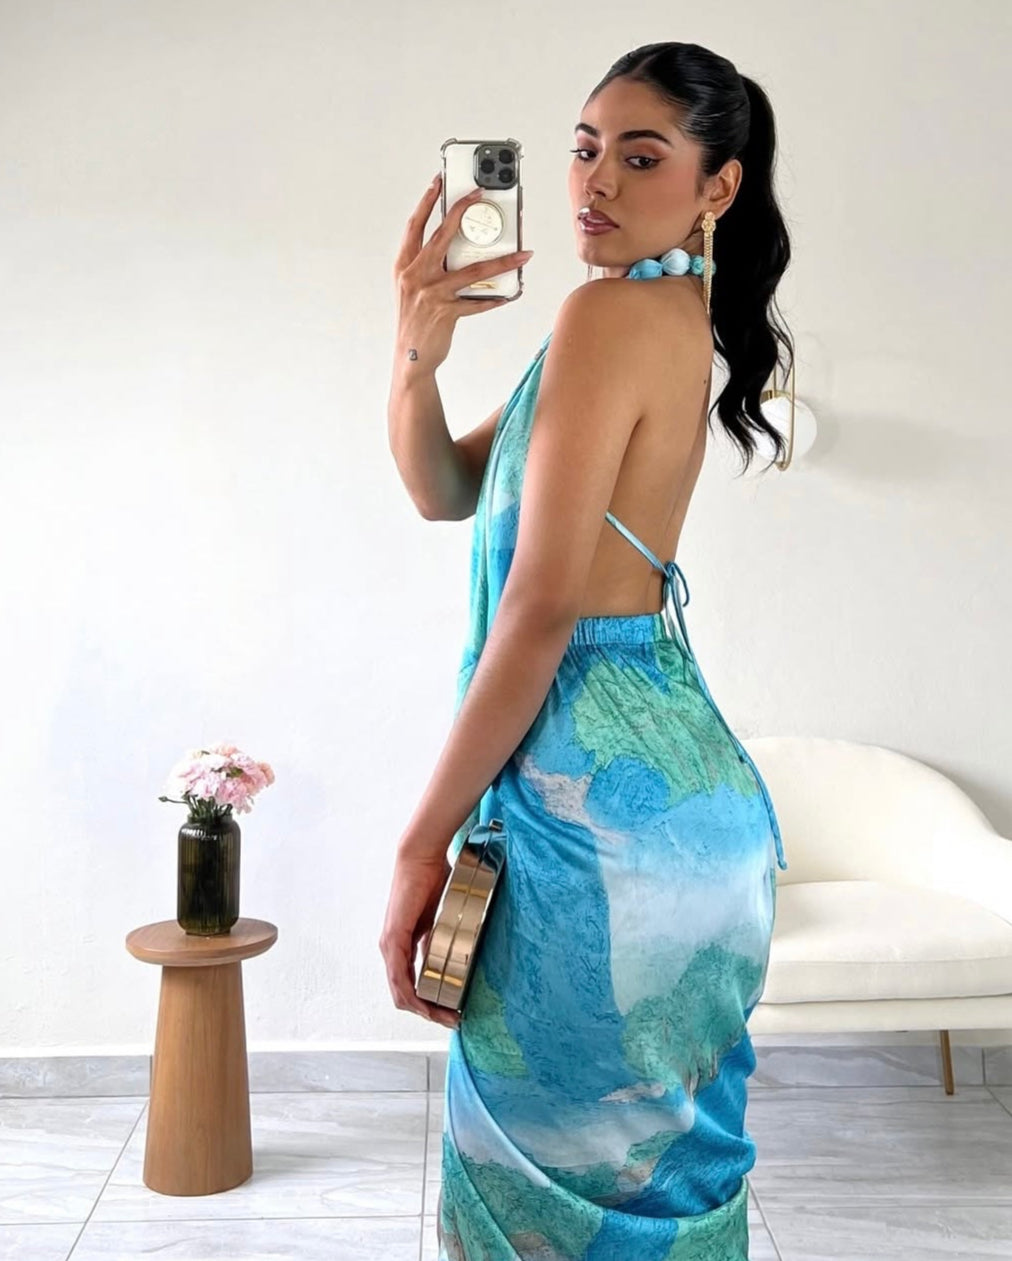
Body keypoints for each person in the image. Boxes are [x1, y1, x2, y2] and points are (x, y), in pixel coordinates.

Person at [381, 38, 794, 1261]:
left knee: (548, 1209)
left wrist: (417, 844)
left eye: (640, 156)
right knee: (649, 1190)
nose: (593, 181)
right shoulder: (652, 317)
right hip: (669, 809)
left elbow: (540, 608)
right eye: (581, 148)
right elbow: (442, 486)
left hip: (594, 825)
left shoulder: (609, 314)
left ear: (718, 186)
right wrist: (414, 345)